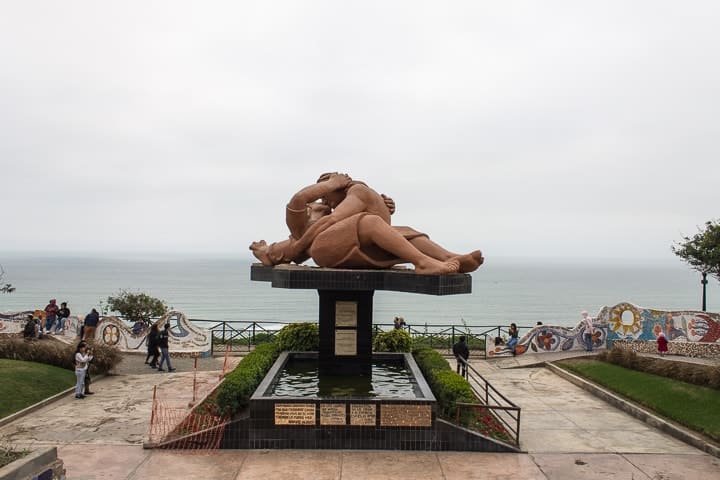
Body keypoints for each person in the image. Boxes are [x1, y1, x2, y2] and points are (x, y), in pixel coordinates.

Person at [251, 173, 483, 275]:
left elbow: (292, 253)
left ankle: (448, 258)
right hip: (325, 250)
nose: (327, 200)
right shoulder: (306, 215)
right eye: (325, 194)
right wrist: (331, 183)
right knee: (370, 222)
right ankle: (423, 263)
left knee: (405, 232)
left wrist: (379, 206)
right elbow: (299, 199)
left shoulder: (335, 216)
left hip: (342, 247)